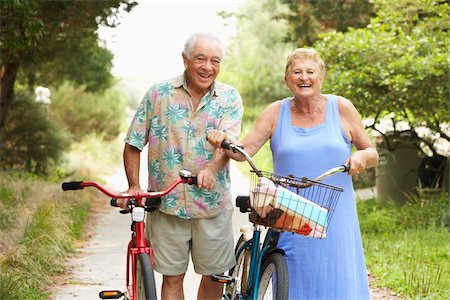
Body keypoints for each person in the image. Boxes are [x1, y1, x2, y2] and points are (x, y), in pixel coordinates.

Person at [207, 47, 379, 299]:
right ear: (287, 80)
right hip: (290, 214)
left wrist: (361, 156)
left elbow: (371, 152)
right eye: (296, 72)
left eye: (311, 71)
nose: (304, 77)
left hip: (336, 212)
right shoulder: (275, 112)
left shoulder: (341, 108)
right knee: (293, 278)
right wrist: (224, 140)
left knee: (338, 277)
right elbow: (244, 151)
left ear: (321, 77)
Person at [120, 32, 244, 300]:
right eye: (200, 58)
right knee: (172, 278)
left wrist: (210, 170)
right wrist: (134, 186)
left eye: (215, 61)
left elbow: (228, 144)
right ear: (185, 59)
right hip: (168, 204)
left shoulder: (229, 98)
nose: (207, 67)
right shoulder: (158, 93)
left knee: (214, 276)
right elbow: (133, 142)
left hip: (212, 205)